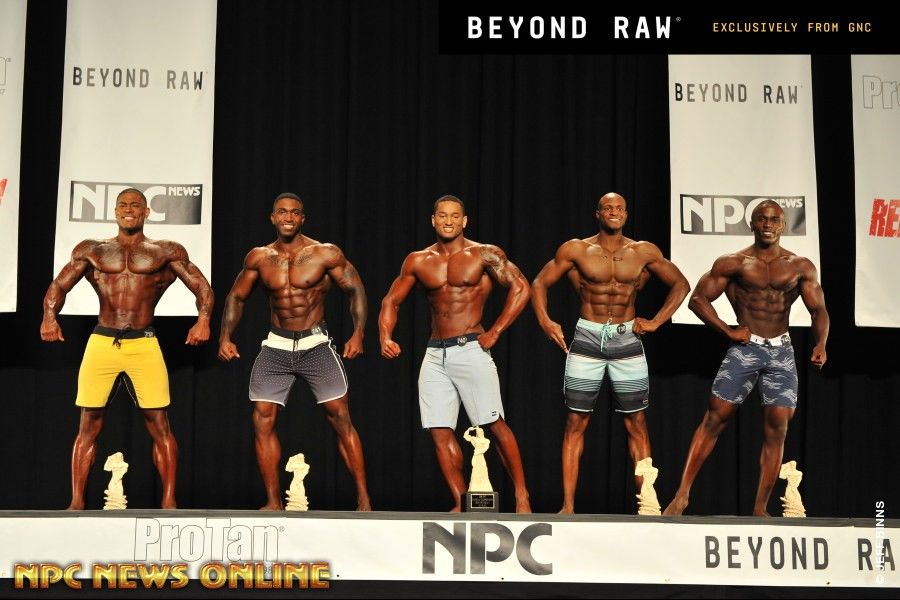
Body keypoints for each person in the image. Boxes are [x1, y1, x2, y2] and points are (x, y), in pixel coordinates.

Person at [41, 187, 213, 510]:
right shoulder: (92, 250)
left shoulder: (166, 251)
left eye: (135, 205)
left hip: (143, 342)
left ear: (146, 212)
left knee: (159, 423)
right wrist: (49, 316)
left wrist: (203, 320)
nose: (129, 209)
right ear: (115, 211)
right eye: (123, 205)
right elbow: (59, 285)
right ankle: (76, 502)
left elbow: (202, 287)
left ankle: (169, 501)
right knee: (88, 423)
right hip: (102, 341)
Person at [663, 200, 829, 517]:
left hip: (781, 352)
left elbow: (818, 309)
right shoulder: (734, 263)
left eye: (774, 219)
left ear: (783, 225)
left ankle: (760, 508)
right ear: (751, 224)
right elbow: (698, 299)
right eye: (761, 219)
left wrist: (821, 343)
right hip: (745, 349)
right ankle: (681, 496)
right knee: (715, 418)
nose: (768, 224)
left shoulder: (800, 266)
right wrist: (727, 330)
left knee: (778, 426)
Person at [532, 192, 689, 514]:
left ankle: (647, 504)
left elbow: (681, 284)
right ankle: (568, 506)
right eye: (608, 208)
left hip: (627, 338)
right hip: (587, 338)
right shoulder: (576, 249)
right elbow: (538, 283)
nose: (614, 212)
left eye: (619, 208)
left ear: (626, 214)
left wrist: (657, 321)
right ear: (598, 214)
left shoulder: (643, 251)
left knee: (637, 422)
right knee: (575, 420)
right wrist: (545, 321)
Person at [218, 192, 371, 511]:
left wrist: (358, 333)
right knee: (262, 418)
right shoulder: (259, 257)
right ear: (273, 217)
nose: (288, 217)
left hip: (315, 344)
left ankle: (364, 499)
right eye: (282, 212)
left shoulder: (325, 253)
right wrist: (225, 337)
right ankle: (273, 500)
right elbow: (236, 297)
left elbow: (355, 289)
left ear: (302, 218)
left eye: (294, 213)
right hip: (277, 344)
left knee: (340, 416)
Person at [379, 195, 531, 513]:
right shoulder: (418, 260)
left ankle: (521, 496)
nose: (448, 221)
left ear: (464, 221)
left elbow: (520, 287)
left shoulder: (484, 253)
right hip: (435, 354)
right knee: (438, 430)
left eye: (454, 216)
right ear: (433, 220)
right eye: (442, 215)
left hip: (470, 348)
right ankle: (461, 501)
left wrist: (496, 331)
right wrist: (385, 335)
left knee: (494, 424)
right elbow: (391, 300)